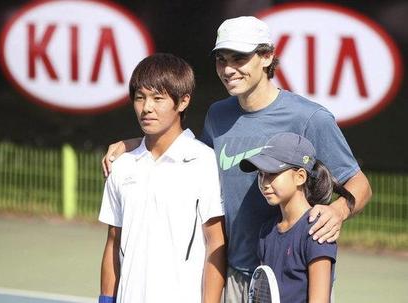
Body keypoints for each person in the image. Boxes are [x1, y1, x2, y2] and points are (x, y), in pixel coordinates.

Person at [101, 16, 372, 302]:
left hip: (291, 276)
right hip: (234, 274)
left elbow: (360, 184)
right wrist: (134, 144)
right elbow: (188, 150)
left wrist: (338, 211)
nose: (228, 69)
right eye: (222, 60)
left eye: (239, 58)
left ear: (267, 57)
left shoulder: (310, 118)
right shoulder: (218, 115)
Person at [98, 53, 226, 303]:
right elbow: (113, 243)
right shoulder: (121, 166)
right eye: (139, 98)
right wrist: (105, 300)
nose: (147, 108)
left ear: (183, 101)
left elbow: (216, 245)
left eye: (158, 98)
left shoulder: (205, 162)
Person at [240, 132, 355, 302]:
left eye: (272, 173)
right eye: (261, 174)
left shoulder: (317, 231)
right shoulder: (267, 232)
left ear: (300, 176)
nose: (264, 182)